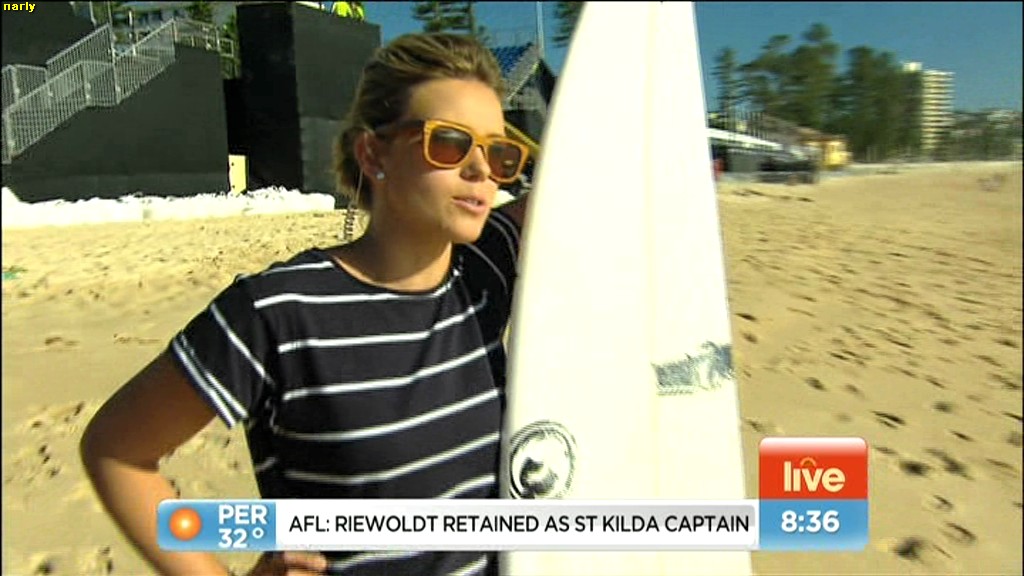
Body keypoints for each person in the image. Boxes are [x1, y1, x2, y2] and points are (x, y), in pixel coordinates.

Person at [80, 32, 531, 576]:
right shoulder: (278, 311)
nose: (482, 169)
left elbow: (592, 177)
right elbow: (116, 452)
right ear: (373, 153)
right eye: (451, 143)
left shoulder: (484, 272)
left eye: (499, 151)